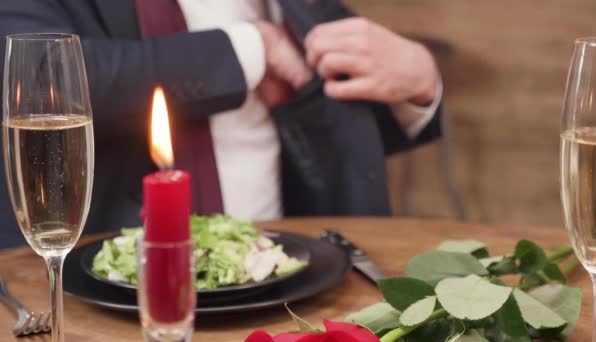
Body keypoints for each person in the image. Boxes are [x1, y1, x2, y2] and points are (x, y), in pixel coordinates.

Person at [0, 0, 442, 248]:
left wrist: (421, 80)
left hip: (293, 278)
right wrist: (251, 48)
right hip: (102, 286)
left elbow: (343, 124)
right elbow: (35, 73)